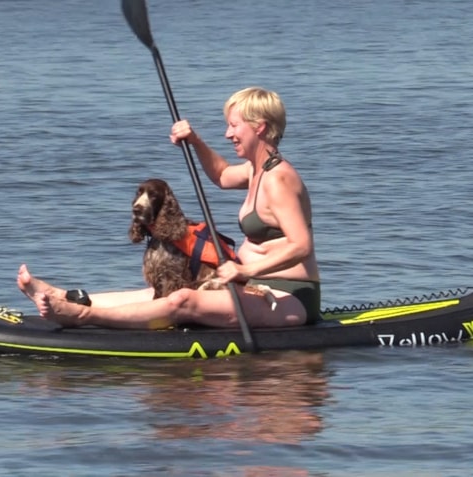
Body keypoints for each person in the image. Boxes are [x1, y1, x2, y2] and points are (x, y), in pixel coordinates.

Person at [17, 86, 320, 329]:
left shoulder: (279, 179)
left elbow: (301, 245)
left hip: (286, 295)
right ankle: (67, 297)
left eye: (234, 126)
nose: (228, 134)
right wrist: (195, 141)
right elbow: (223, 176)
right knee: (162, 293)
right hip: (250, 286)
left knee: (184, 300)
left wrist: (245, 268)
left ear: (260, 127)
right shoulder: (257, 169)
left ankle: (80, 317)